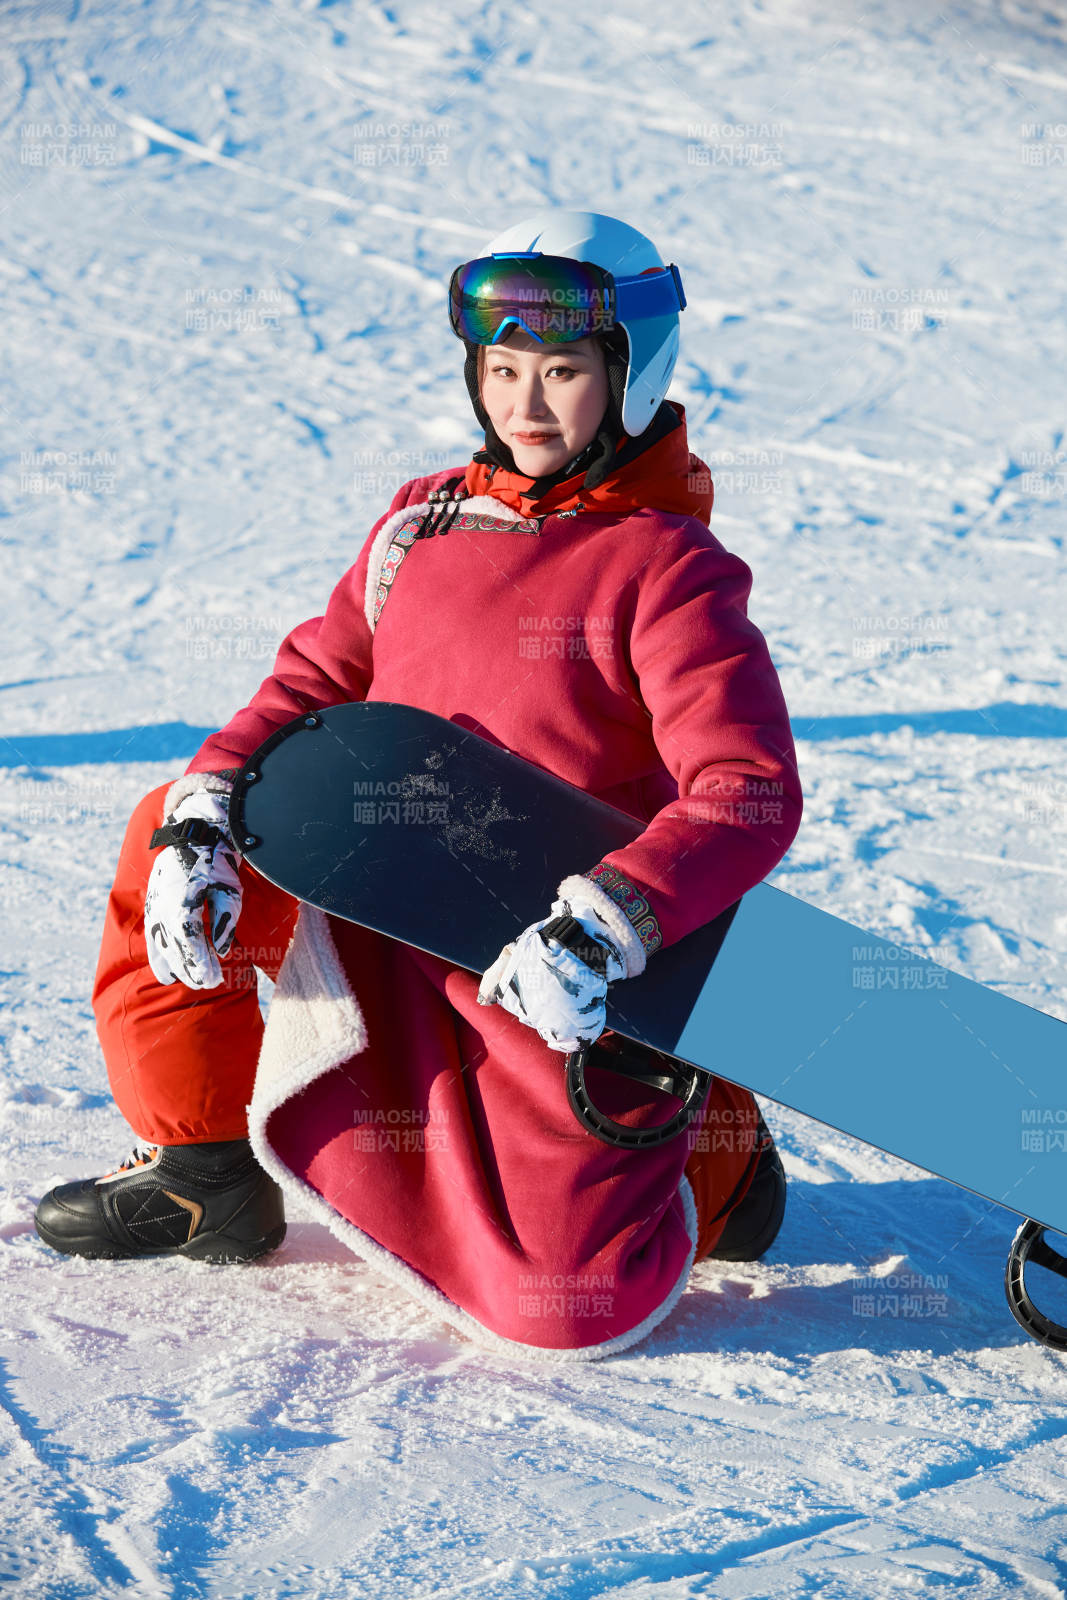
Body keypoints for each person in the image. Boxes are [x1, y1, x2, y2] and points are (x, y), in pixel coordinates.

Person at [35, 211, 803, 1358]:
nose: (524, 405)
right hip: (383, 906)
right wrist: (205, 806)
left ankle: (719, 1148)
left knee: (565, 1305)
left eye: (561, 372)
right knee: (182, 824)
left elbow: (743, 786)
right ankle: (201, 1163)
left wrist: (611, 922)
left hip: (539, 955)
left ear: (632, 378)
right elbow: (312, 679)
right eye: (500, 371)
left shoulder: (664, 564)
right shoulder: (421, 521)